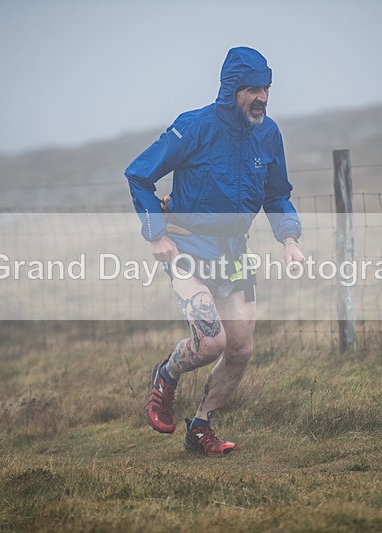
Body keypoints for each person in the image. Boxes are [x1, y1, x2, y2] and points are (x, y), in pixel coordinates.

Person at [125, 46, 306, 457]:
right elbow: (139, 175)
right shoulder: (194, 127)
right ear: (230, 90)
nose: (260, 97)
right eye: (251, 89)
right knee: (211, 343)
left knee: (240, 349)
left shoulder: (268, 133)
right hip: (187, 246)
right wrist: (156, 233)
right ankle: (166, 376)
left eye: (266, 88)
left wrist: (289, 240)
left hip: (234, 252)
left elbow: (277, 194)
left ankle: (201, 426)